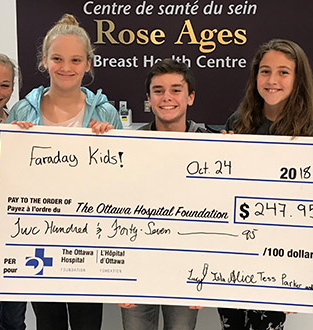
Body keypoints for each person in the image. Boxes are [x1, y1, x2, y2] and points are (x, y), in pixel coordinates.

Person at [0, 13, 121, 330]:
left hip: (90, 237)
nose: (66, 67)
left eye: (75, 60)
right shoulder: (24, 111)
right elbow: (9, 180)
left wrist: (112, 143)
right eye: (58, 58)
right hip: (39, 236)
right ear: (44, 61)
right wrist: (14, 142)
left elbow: (123, 180)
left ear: (88, 65)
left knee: (87, 322)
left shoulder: (106, 113)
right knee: (48, 321)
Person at [218, 39, 313, 330]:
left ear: (298, 78)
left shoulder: (310, 133)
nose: (272, 80)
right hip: (234, 252)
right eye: (265, 71)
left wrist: (296, 282)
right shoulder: (239, 122)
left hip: (277, 259)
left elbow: (311, 210)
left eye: (283, 72)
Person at [118, 58, 204, 330]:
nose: (167, 97)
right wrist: (115, 277)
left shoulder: (212, 147)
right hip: (135, 267)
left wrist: (208, 276)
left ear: (190, 97)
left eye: (176, 90)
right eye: (158, 90)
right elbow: (113, 207)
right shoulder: (127, 147)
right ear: (149, 98)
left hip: (187, 270)